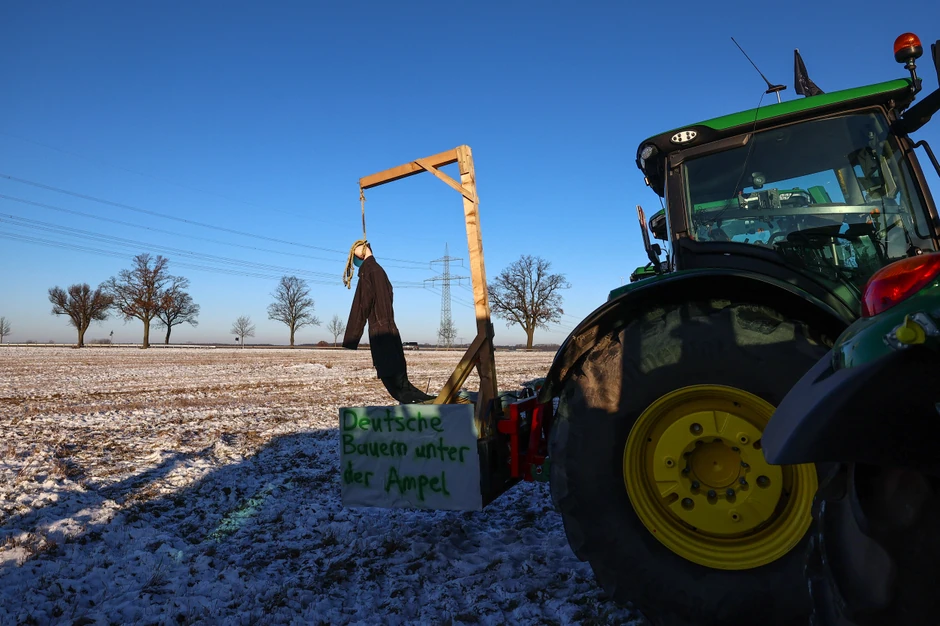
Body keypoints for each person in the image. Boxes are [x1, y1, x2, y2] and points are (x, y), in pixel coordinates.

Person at [342, 241, 434, 404]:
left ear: (360, 255)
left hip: (381, 335)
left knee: (395, 384)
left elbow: (361, 306)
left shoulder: (368, 272)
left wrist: (351, 338)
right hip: (391, 332)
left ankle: (425, 406)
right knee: (400, 381)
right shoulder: (379, 271)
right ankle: (425, 401)